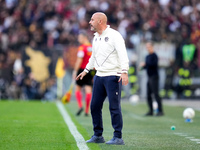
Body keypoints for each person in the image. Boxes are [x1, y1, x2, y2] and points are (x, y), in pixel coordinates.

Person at [76, 12, 129, 145]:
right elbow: (93, 56)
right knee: (94, 106)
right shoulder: (96, 37)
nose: (89, 22)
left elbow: (123, 54)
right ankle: (98, 135)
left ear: (100, 21)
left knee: (114, 107)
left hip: (113, 76)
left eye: (92, 20)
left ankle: (118, 137)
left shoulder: (114, 35)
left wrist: (124, 72)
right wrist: (86, 70)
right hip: (99, 76)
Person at [72, 31, 93, 116]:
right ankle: (87, 110)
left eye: (80, 37)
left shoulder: (82, 48)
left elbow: (79, 60)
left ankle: (80, 106)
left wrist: (75, 71)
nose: (78, 39)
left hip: (82, 70)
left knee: (78, 89)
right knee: (88, 90)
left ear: (85, 37)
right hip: (91, 70)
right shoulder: (92, 47)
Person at [140, 42, 164, 116]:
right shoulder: (147, 56)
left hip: (154, 77)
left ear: (152, 47)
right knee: (148, 94)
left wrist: (145, 64)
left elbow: (153, 64)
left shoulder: (154, 56)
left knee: (156, 94)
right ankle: (151, 111)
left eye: (149, 47)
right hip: (149, 77)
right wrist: (142, 67)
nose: (148, 48)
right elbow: (147, 66)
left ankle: (160, 111)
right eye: (147, 47)